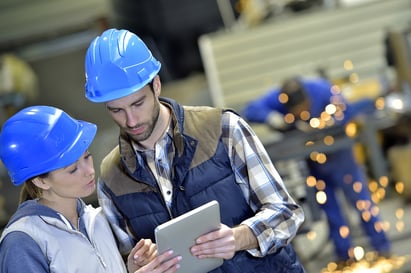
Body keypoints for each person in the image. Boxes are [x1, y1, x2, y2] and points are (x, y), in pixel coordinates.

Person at [83, 28, 306, 273]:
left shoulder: (222, 129)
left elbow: (286, 214)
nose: (131, 120)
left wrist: (239, 237)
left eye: (138, 103)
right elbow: (124, 260)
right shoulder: (111, 178)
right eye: (116, 110)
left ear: (156, 85)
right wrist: (134, 267)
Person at [0, 105, 181, 273]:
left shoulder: (96, 220)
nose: (89, 171)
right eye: (72, 169)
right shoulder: (22, 242)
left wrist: (129, 268)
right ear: (40, 181)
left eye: (87, 157)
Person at [242, 76, 392, 264]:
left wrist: (330, 122)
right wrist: (271, 118)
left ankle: (382, 248)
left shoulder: (321, 90)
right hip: (314, 161)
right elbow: (250, 110)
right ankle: (345, 257)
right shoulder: (280, 98)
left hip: (340, 155)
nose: (301, 114)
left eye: (304, 109)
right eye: (296, 112)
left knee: (360, 202)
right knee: (330, 209)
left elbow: (346, 110)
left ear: (308, 99)